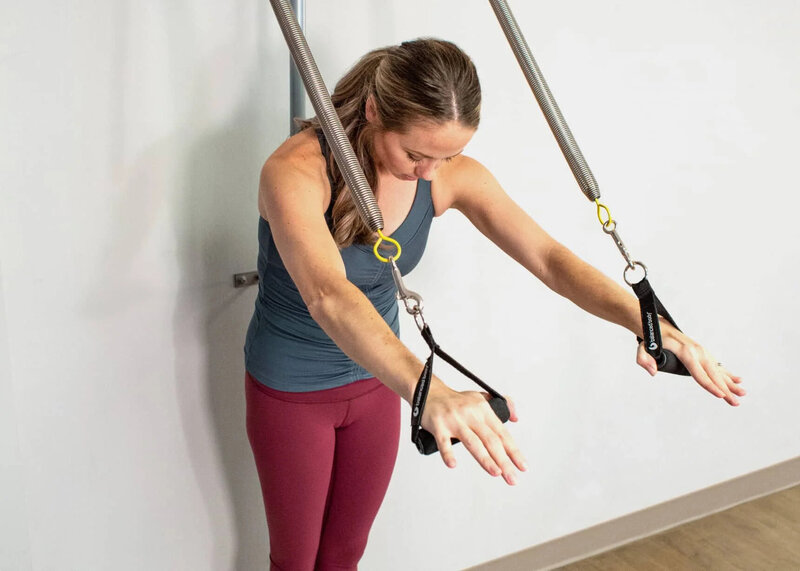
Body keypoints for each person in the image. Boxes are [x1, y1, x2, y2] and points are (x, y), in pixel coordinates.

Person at [244, 38, 744, 570]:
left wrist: (648, 322)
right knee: (295, 561)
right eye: (415, 154)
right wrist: (430, 390)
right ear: (373, 111)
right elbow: (328, 295)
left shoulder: (444, 174)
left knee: (345, 553)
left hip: (380, 382)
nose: (431, 173)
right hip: (293, 389)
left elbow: (548, 257)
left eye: (448, 156)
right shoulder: (296, 171)